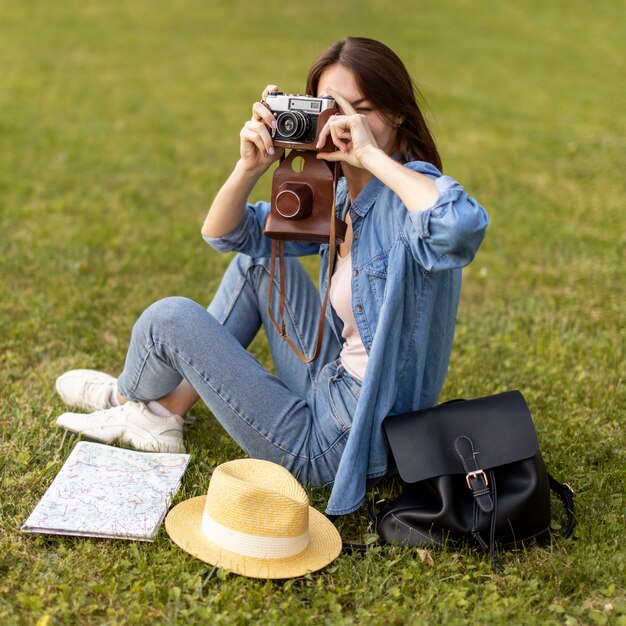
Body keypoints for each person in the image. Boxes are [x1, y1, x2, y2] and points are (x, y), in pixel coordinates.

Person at [55, 37, 489, 516]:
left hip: (337, 443)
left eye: (362, 109)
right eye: (333, 109)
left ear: (399, 113)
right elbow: (228, 235)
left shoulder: (407, 196)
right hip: (330, 379)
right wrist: (250, 167)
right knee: (258, 266)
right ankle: (161, 413)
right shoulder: (347, 194)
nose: (347, 123)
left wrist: (368, 156)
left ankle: (126, 396)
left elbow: (460, 228)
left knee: (168, 319)